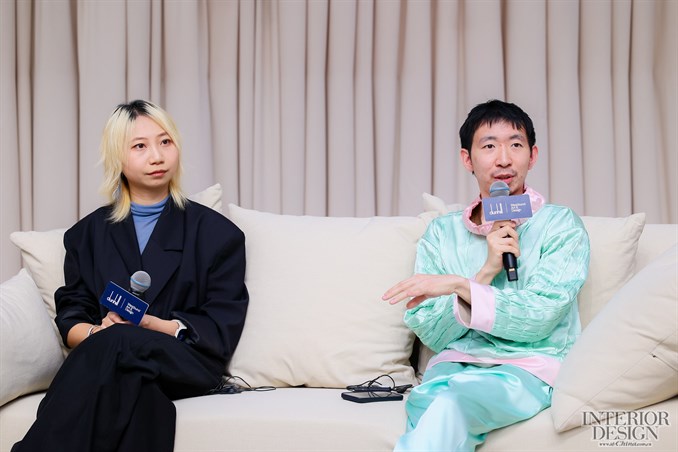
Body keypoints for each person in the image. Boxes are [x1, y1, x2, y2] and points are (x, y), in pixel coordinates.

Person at [12, 100, 249, 452]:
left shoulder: (217, 234)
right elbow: (72, 315)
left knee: (119, 341)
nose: (157, 156)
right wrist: (98, 332)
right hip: (117, 362)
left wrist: (148, 324)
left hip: (186, 362)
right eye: (140, 146)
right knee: (139, 395)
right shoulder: (86, 235)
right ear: (116, 158)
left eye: (165, 142)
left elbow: (220, 329)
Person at [383, 100, 590, 451]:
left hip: (529, 369)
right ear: (468, 159)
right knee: (433, 402)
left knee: (451, 406)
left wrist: (459, 285)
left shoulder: (560, 225)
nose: (504, 159)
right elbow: (432, 332)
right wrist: (485, 272)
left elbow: (541, 317)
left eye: (515, 145)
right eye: (489, 146)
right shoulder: (442, 233)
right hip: (452, 367)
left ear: (532, 155)